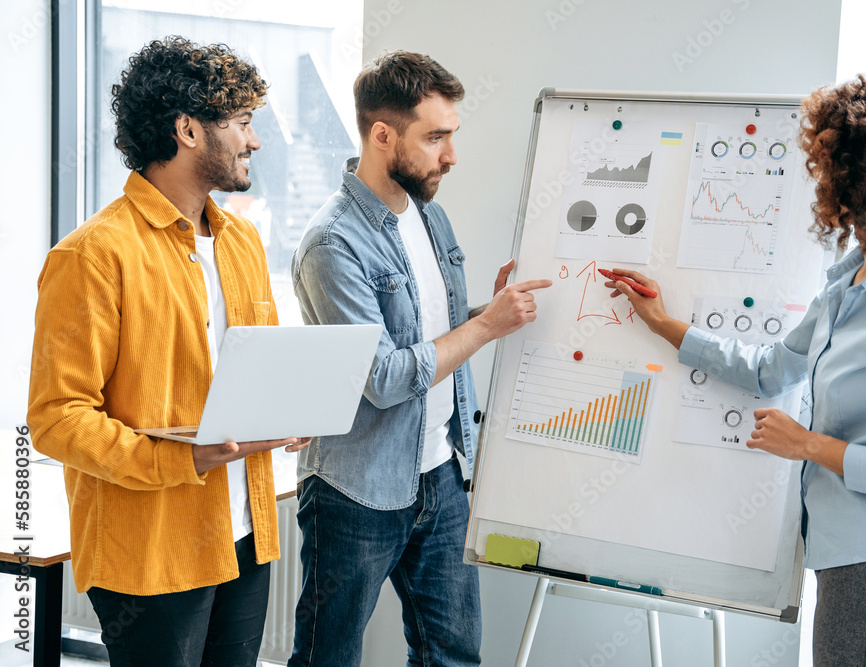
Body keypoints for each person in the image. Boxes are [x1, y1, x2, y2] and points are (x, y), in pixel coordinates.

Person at [606, 67, 866, 665]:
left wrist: (810, 445)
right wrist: (662, 323)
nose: (821, 183)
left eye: (832, 167)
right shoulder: (852, 281)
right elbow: (772, 369)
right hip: (854, 559)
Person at [27, 37, 309, 665]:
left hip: (244, 533)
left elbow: (245, 372)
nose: (254, 140)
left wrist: (291, 407)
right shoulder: (92, 255)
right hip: (149, 556)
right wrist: (183, 461)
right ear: (187, 129)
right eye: (241, 123)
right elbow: (56, 418)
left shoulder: (242, 242)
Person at [289, 50, 551, 666]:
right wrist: (487, 326)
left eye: (451, 135)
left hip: (440, 470)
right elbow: (382, 376)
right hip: (356, 486)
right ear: (383, 136)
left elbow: (431, 333)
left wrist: (489, 310)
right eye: (436, 137)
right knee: (327, 656)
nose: (451, 155)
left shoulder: (429, 215)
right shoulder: (332, 243)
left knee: (453, 655)